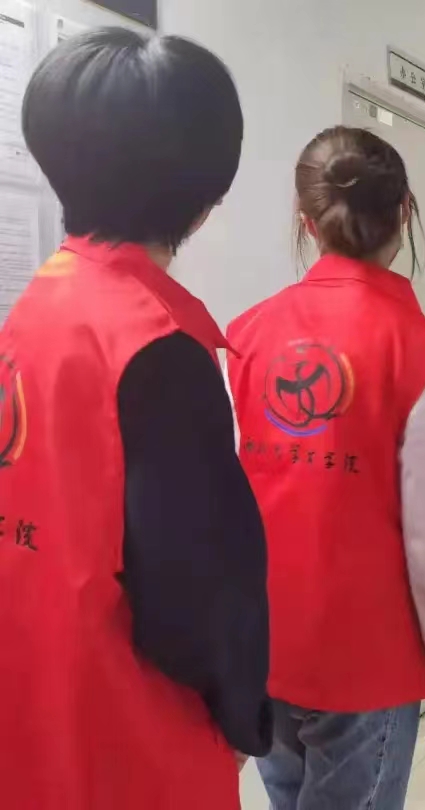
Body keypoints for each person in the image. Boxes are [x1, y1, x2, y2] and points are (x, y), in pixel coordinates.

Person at [0, 28, 271, 809]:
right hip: (127, 735)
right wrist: (242, 710)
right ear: (205, 196)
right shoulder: (156, 347)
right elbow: (195, 591)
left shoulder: (37, 302)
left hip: (33, 701)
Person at [226, 126, 425, 810]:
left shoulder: (243, 334)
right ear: (405, 213)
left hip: (265, 645)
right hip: (369, 659)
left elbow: (231, 506)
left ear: (305, 222)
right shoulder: (421, 349)